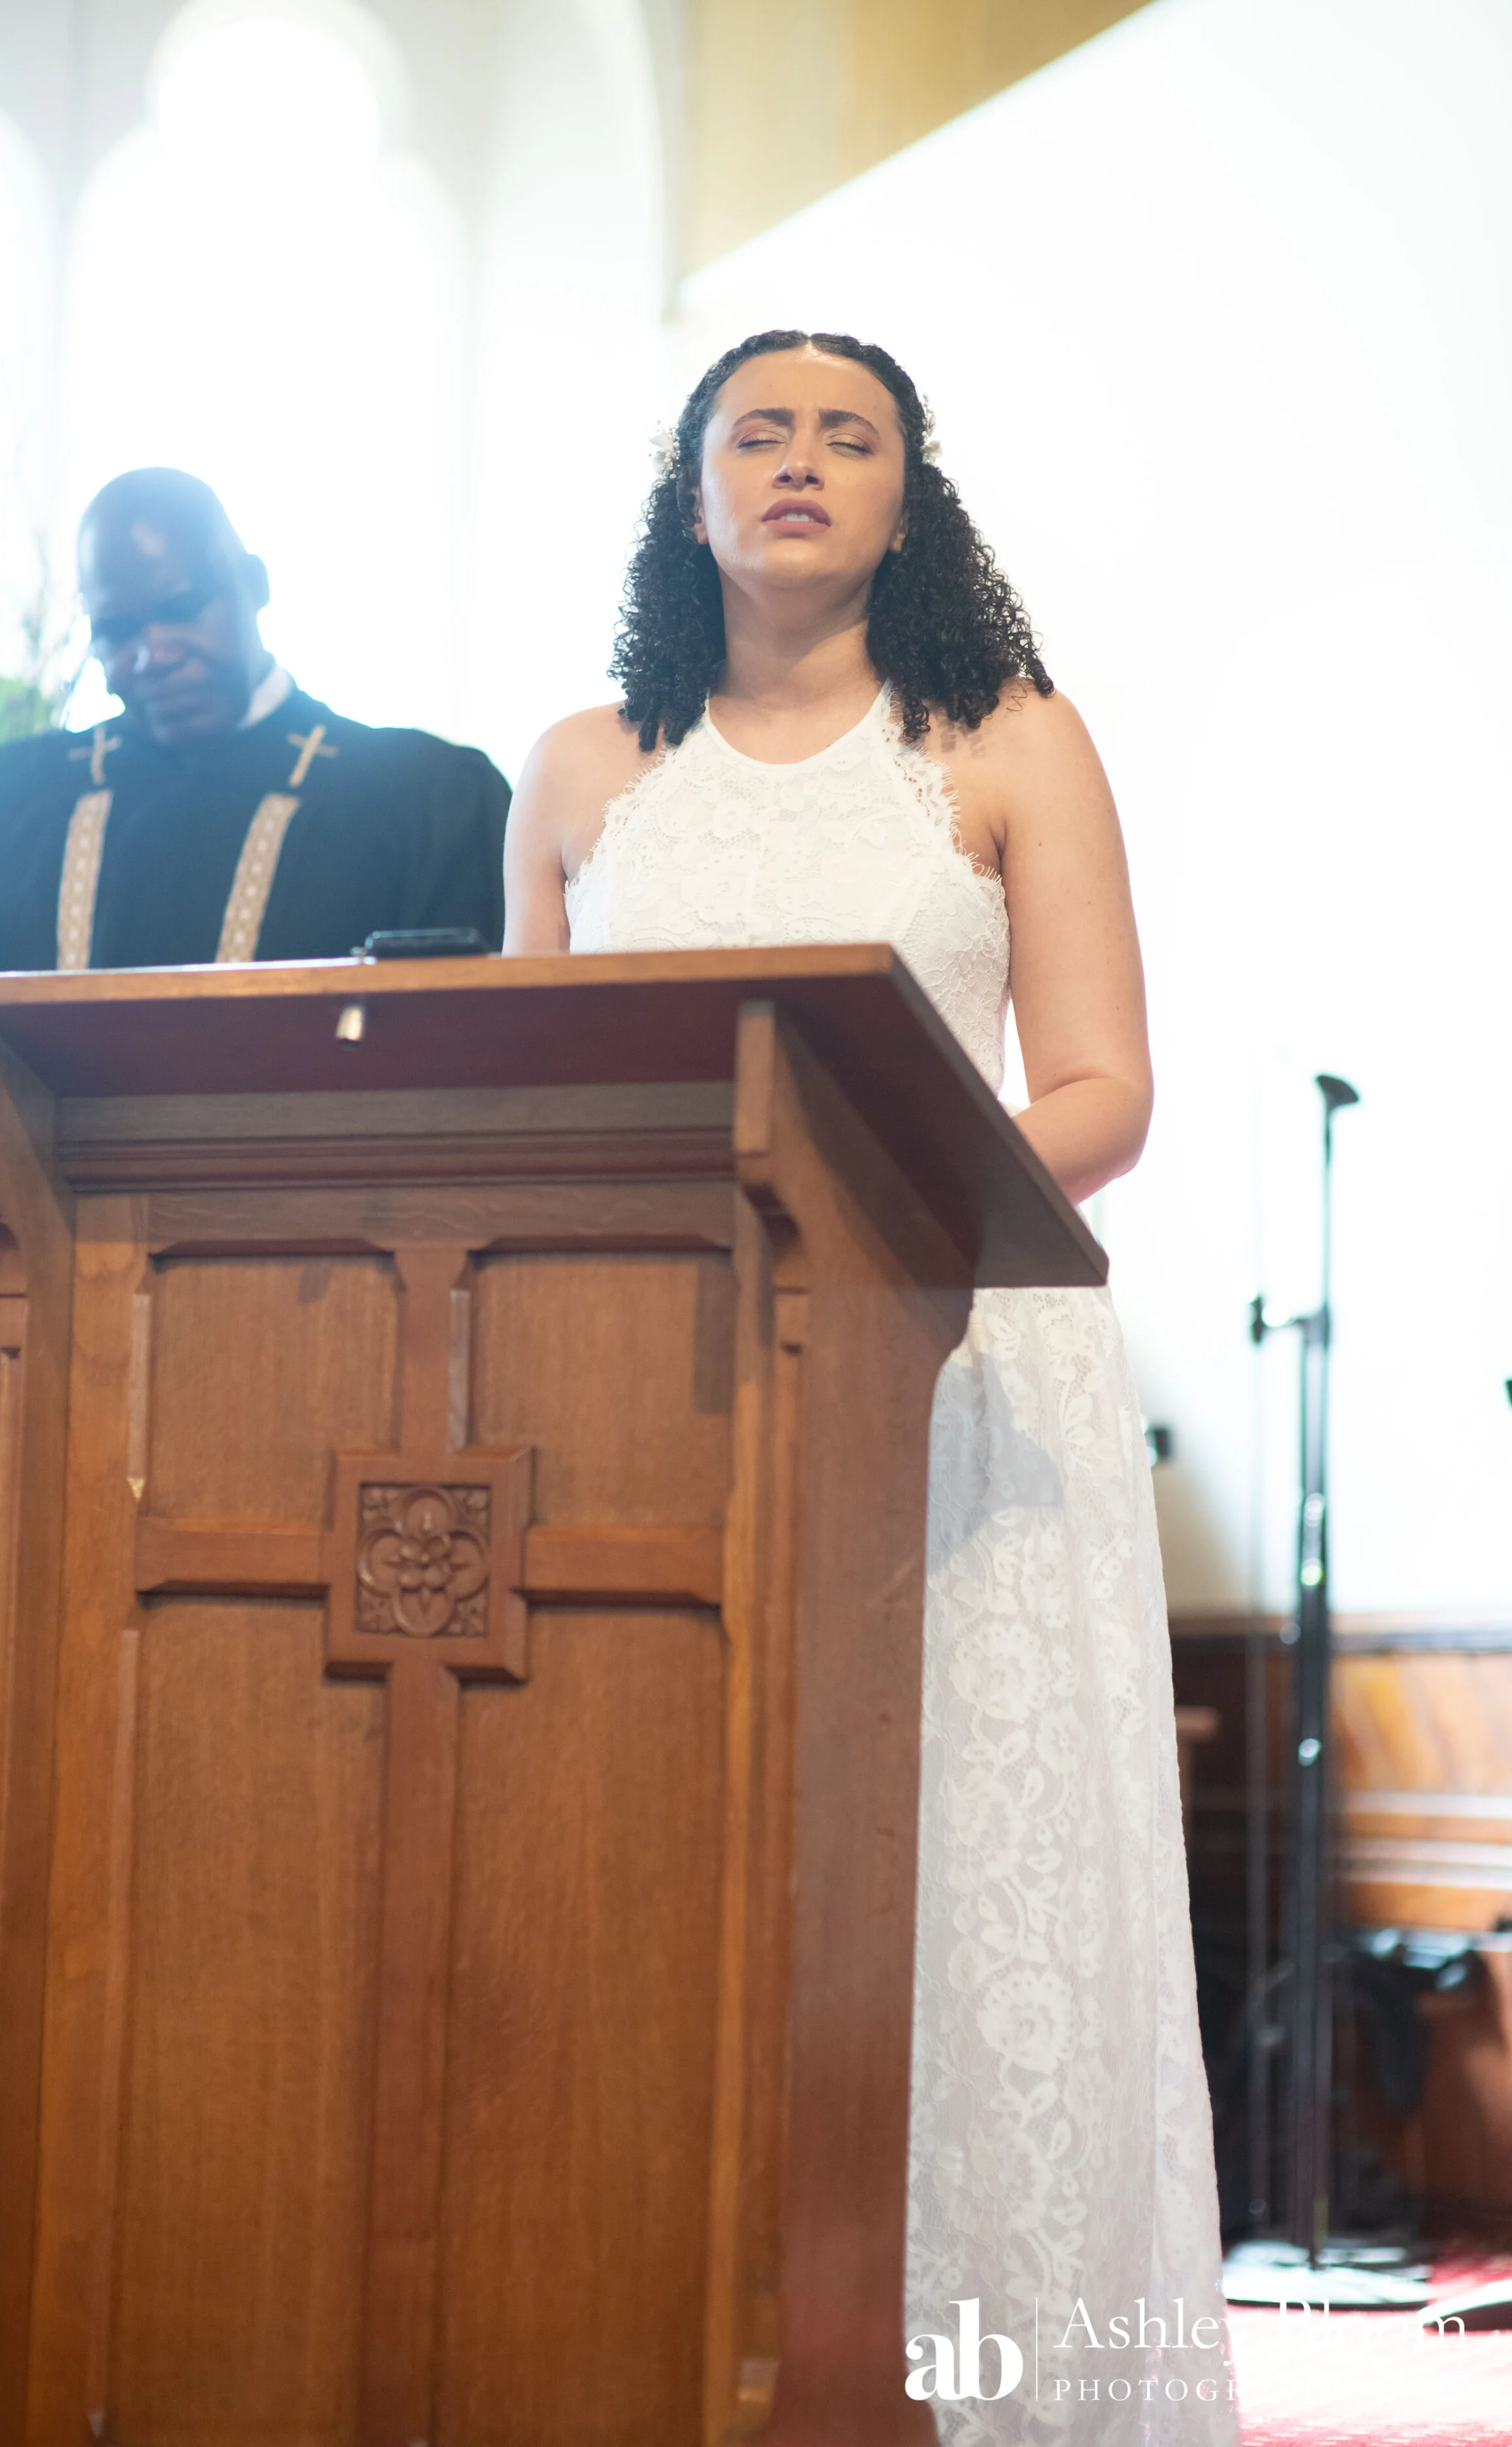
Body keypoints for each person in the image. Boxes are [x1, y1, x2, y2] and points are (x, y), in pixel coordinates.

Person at [504, 332, 1233, 2442]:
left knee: (955, 1877)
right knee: (687, 1879)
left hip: (949, 1362)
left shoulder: (1006, 740)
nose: (802, 461)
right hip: (662, 1377)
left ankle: (996, 2388)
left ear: (911, 498)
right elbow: (530, 1098)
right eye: (759, 432)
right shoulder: (581, 768)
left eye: (851, 434)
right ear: (692, 492)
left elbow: (1100, 1086)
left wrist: (864, 1201)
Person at [0, 467, 510, 1646]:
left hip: (306, 1315)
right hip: (31, 1321)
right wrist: (1, 1186)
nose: (151, 652)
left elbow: (470, 1073)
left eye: (182, 608)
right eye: (116, 627)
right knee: (0, 1673)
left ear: (253, 584)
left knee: (250, 1653)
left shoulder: (420, 796)